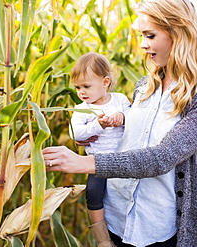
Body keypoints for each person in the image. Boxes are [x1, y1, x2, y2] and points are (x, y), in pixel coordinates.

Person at [43, 0, 197, 246]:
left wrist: (83, 163)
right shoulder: (143, 87)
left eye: (150, 35)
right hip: (115, 218)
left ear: (179, 32)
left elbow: (162, 157)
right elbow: (126, 143)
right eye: (141, 35)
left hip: (158, 229)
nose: (143, 45)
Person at [69, 52, 131, 247]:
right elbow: (76, 134)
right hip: (96, 163)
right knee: (93, 193)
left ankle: (129, 231)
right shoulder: (82, 109)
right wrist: (98, 125)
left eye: (86, 86)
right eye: (77, 87)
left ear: (105, 82)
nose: (81, 92)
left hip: (123, 161)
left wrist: (122, 116)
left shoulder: (119, 100)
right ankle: (103, 239)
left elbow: (134, 119)